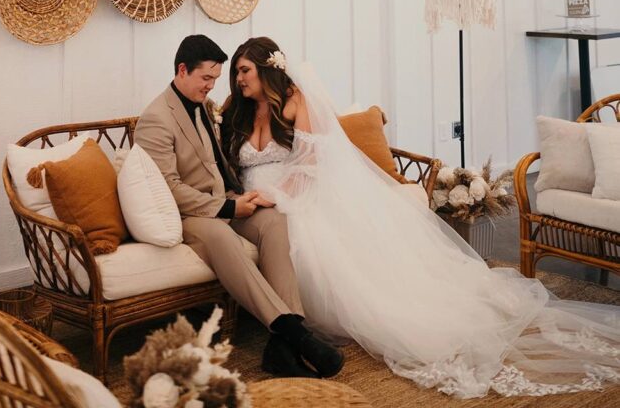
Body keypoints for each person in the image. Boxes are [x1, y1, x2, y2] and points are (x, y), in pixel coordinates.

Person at [223, 36, 620, 399]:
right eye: (236, 72)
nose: (238, 79)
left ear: (266, 68)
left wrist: (275, 195)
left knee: (311, 244)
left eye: (245, 70)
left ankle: (295, 334)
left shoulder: (295, 100)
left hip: (293, 191)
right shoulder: (238, 112)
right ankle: (290, 334)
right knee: (296, 241)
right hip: (255, 202)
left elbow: (311, 160)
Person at [133, 34, 344, 379]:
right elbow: (168, 188)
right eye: (206, 78)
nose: (213, 86)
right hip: (191, 214)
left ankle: (280, 350)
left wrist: (240, 200)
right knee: (222, 237)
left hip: (226, 200)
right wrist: (228, 209)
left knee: (275, 220)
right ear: (182, 70)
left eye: (217, 79)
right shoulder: (157, 117)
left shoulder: (204, 106)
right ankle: (294, 332)